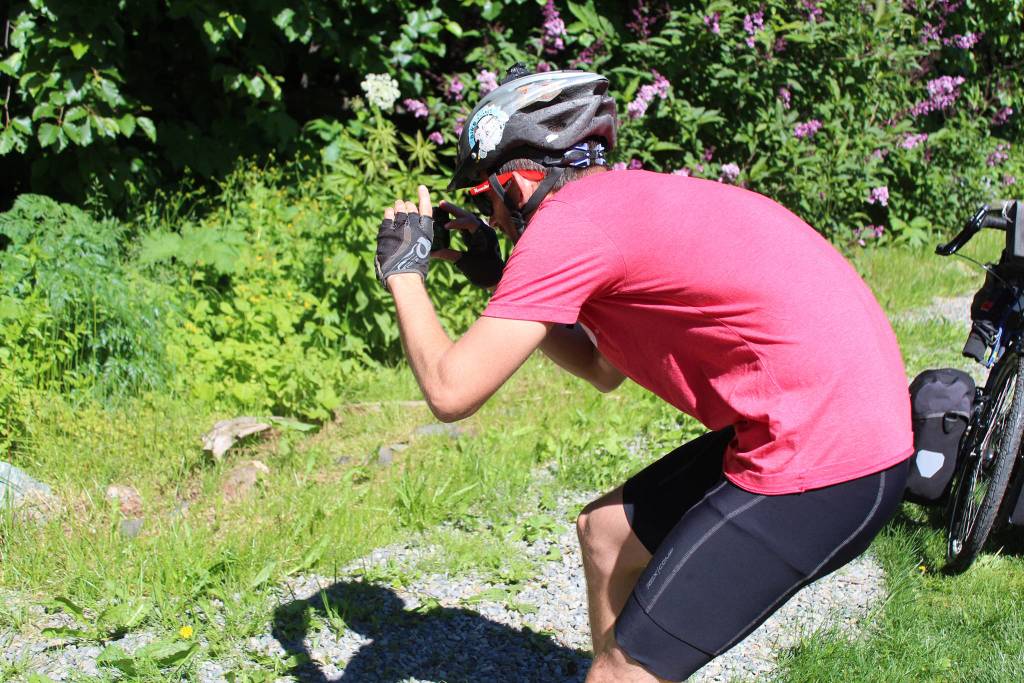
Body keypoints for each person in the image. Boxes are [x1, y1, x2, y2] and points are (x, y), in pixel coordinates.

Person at [373, 64, 913, 683]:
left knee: (622, 673)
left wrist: (404, 272)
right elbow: (603, 368)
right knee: (605, 535)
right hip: (838, 422)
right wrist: (503, 280)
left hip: (826, 457)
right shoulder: (613, 207)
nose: (487, 218)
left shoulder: (568, 227)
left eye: (482, 198)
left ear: (517, 181)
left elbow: (450, 391)